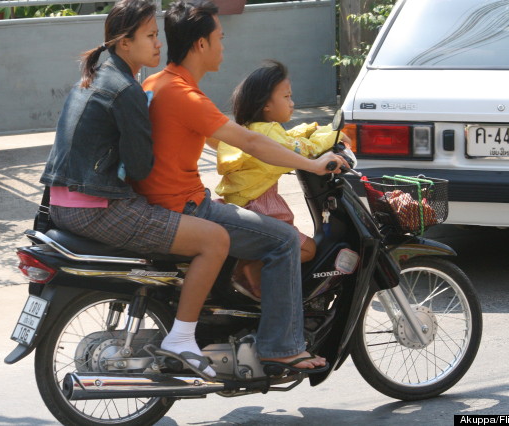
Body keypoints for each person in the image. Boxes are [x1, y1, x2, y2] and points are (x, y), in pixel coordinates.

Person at [132, 0, 348, 373]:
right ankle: (281, 347)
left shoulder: (157, 83)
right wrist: (311, 163)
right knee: (282, 239)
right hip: (185, 207)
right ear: (201, 44)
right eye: (220, 37)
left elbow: (223, 138)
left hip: (160, 202)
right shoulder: (185, 95)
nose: (223, 45)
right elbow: (249, 143)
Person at [40, 0, 229, 377]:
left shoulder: (96, 73)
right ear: (124, 44)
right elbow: (142, 167)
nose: (158, 44)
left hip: (60, 204)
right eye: (150, 36)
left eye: (157, 35)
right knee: (215, 240)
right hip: (97, 208)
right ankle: (181, 338)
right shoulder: (126, 89)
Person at [215, 60, 350, 300]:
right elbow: (299, 149)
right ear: (266, 104)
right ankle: (253, 271)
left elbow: (288, 138)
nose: (292, 103)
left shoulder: (255, 127)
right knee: (307, 249)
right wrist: (333, 135)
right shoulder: (266, 133)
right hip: (260, 207)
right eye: (286, 97)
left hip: (248, 204)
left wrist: (313, 127)